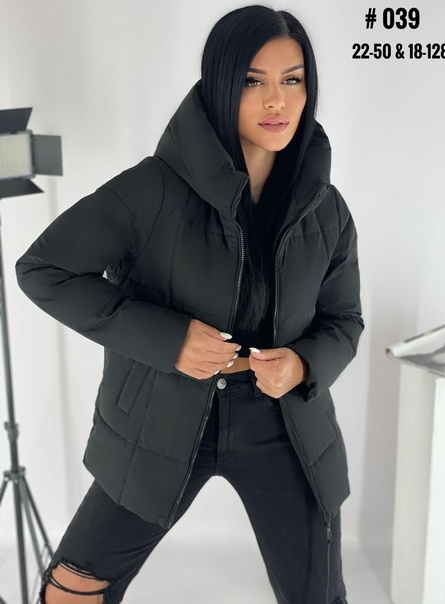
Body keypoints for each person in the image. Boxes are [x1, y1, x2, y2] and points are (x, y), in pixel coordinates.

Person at [15, 5, 364, 603]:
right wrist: (169, 340)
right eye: (253, 81)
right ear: (222, 85)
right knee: (72, 591)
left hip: (284, 424)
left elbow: (344, 321)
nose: (276, 100)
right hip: (163, 418)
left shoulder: (326, 209)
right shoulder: (152, 189)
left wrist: (304, 365)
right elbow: (43, 269)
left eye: (293, 79)